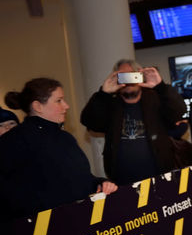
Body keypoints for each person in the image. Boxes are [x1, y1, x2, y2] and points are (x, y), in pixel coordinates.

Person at [0, 78, 116, 220]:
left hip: (78, 223)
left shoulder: (66, 138)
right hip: (42, 231)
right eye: (59, 101)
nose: (66, 106)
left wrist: (100, 183)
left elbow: (79, 177)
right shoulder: (12, 142)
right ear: (38, 106)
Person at [80, 60, 186, 184]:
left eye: (132, 75)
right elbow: (89, 121)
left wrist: (161, 87)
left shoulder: (156, 99)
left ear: (140, 76)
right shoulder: (110, 103)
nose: (129, 81)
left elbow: (179, 110)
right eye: (124, 77)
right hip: (122, 182)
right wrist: (103, 94)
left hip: (159, 178)